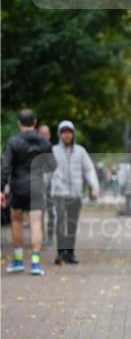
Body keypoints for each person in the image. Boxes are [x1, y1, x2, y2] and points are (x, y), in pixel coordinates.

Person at [1, 109, 56, 274]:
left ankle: (18, 261)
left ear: (19, 123)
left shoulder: (13, 141)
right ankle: (35, 263)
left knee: (16, 222)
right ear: (35, 122)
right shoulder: (44, 142)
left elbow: (5, 167)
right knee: (36, 223)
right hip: (37, 186)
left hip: (18, 186)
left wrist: (1, 188)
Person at [49, 121, 99, 265]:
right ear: (60, 134)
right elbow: (46, 172)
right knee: (59, 222)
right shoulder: (53, 151)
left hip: (75, 193)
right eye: (63, 132)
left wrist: (94, 186)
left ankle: (70, 253)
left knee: (72, 224)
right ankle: (60, 253)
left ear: (73, 134)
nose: (66, 135)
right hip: (59, 193)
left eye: (69, 132)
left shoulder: (81, 151)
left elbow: (89, 169)